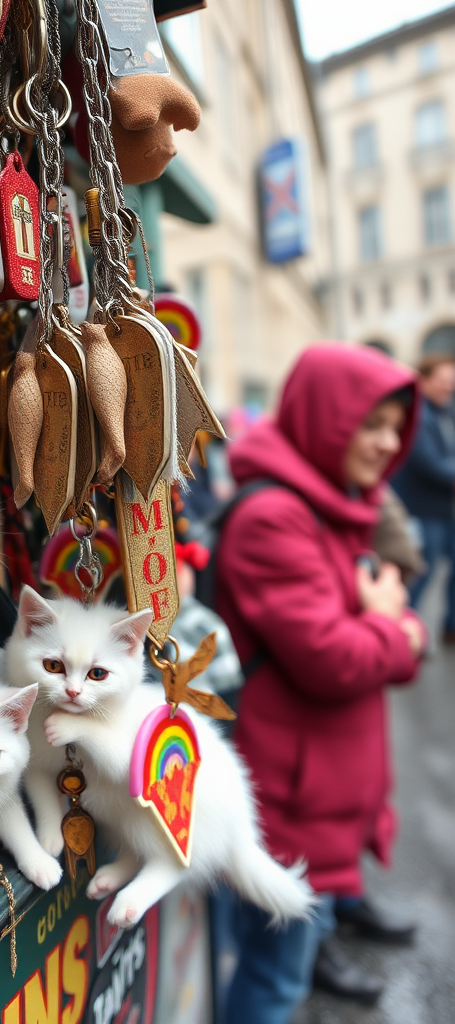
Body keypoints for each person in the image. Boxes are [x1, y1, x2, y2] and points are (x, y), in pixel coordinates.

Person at [214, 345, 426, 1024]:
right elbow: (333, 658)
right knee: (274, 982)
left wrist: (387, 629)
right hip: (289, 804)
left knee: (288, 967)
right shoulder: (274, 517)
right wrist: (397, 629)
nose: (389, 444)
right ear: (327, 418)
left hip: (322, 792)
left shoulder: (337, 503)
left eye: (397, 426)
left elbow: (378, 624)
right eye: (373, 424)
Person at [390, 354, 455, 641]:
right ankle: (402, 635)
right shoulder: (419, 416)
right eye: (442, 381)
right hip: (422, 511)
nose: (448, 387)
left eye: (451, 382)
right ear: (424, 381)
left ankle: (450, 626)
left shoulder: (447, 412)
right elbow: (431, 464)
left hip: (445, 509)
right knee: (419, 576)